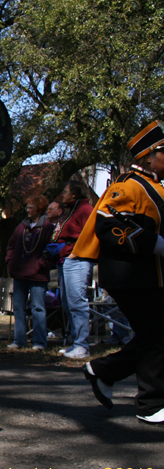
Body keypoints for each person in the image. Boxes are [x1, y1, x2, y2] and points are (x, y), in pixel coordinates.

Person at [73, 120, 164, 424]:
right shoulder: (127, 185)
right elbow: (108, 226)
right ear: (148, 156)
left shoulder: (156, 186)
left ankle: (103, 371)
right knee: (155, 335)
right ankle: (150, 404)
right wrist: (155, 242)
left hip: (150, 275)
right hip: (129, 276)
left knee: (156, 334)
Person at [49, 181, 94, 358]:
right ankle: (75, 342)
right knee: (68, 304)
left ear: (74, 194)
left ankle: (82, 346)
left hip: (77, 260)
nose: (62, 195)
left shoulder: (85, 210)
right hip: (66, 259)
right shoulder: (72, 211)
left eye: (65, 191)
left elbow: (90, 234)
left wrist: (74, 253)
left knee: (77, 303)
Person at [5, 195, 54, 350]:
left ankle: (39, 342)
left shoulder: (47, 227)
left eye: (30, 207)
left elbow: (51, 248)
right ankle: (19, 340)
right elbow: (11, 245)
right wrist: (10, 262)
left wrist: (41, 263)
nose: (27, 210)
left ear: (38, 209)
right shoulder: (21, 226)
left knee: (38, 308)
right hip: (20, 273)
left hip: (38, 275)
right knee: (18, 308)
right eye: (27, 207)